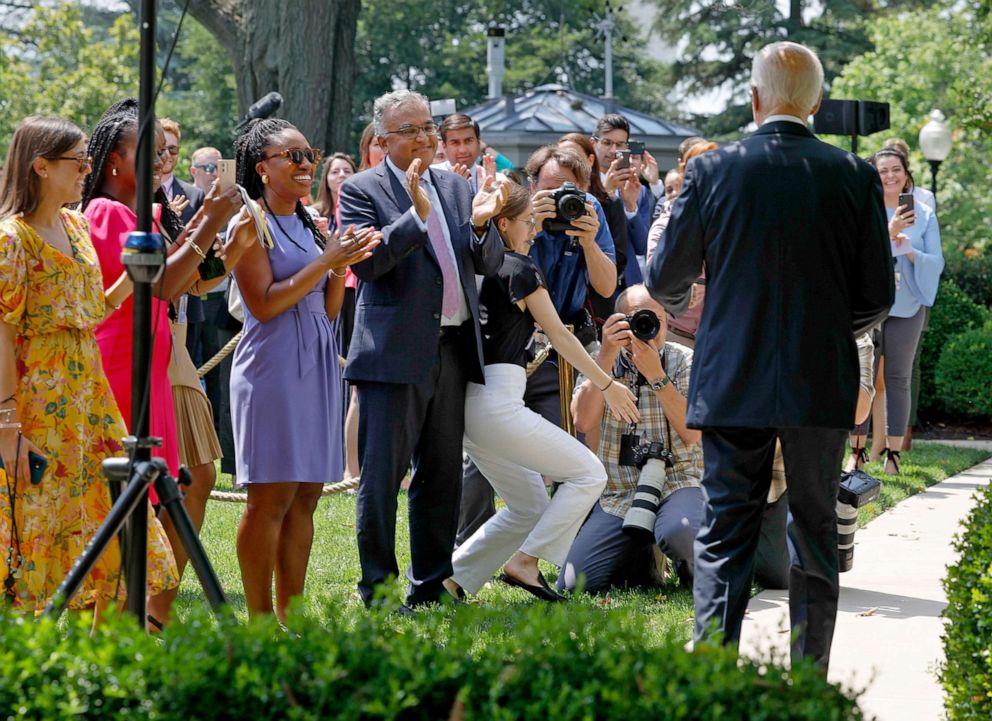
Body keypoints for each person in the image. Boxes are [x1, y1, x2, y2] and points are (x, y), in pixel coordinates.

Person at [647, 41, 894, 669]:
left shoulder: (712, 171)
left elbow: (666, 279)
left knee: (725, 529)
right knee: (815, 529)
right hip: (819, 377)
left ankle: (711, 679)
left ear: (754, 99)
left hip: (733, 372)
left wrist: (700, 300)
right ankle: (810, 681)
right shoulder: (855, 174)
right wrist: (827, 330)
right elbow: (876, 297)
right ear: (815, 102)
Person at [0, 115, 178, 615]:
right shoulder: (13, 238)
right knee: (38, 525)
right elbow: (3, 331)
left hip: (89, 398)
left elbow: (89, 309)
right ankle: (33, 661)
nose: (88, 169)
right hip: (38, 403)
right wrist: (7, 423)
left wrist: (134, 277)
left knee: (117, 518)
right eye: (77, 161)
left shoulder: (76, 225)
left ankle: (108, 664)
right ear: (39, 166)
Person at [338, 89, 507, 610]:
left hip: (453, 348)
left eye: (427, 126)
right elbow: (367, 266)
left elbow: (490, 263)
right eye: (410, 130)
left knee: (440, 477)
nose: (425, 137)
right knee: (382, 478)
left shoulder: (457, 188)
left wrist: (482, 223)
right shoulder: (361, 189)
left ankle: (430, 583)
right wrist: (414, 214)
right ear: (384, 140)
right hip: (392, 353)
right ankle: (381, 590)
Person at [82, 98, 244, 628]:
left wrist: (211, 231)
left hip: (149, 366)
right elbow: (164, 286)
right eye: (145, 152)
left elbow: (179, 281)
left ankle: (143, 619)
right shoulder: (106, 212)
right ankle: (109, 631)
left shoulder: (137, 213)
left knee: (159, 495)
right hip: (121, 369)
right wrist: (212, 220)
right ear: (113, 162)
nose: (159, 161)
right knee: (124, 507)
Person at [443, 184, 638, 602]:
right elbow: (562, 338)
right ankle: (525, 563)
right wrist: (608, 383)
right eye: (528, 222)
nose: (535, 231)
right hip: (498, 404)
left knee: (529, 504)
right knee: (589, 474)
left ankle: (451, 580)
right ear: (503, 223)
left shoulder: (468, 269)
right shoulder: (520, 267)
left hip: (468, 410)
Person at [230, 118, 379, 620]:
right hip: (271, 366)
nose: (305, 165)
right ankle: (259, 620)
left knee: (305, 499)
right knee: (269, 498)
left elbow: (330, 310)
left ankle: (292, 616)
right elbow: (265, 304)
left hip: (315, 363)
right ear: (262, 168)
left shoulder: (311, 223)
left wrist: (340, 262)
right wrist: (326, 262)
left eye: (308, 154)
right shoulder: (250, 222)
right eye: (291, 156)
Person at [454, 145, 617, 547]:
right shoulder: (518, 222)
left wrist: (591, 243)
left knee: (564, 450)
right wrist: (534, 225)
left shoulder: (590, 213)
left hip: (561, 350)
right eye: (550, 190)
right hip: (514, 351)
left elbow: (607, 286)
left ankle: (558, 551)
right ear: (530, 187)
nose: (563, 200)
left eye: (571, 190)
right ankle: (477, 541)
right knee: (490, 460)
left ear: (585, 189)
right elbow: (496, 263)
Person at [562, 285, 703, 595]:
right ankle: (642, 558)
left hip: (679, 482)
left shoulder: (685, 360)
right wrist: (606, 358)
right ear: (617, 322)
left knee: (682, 533)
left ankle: (688, 564)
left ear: (667, 321)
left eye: (654, 319)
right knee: (576, 583)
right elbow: (583, 421)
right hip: (622, 492)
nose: (646, 329)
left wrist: (657, 376)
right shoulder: (600, 362)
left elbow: (692, 432)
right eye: (636, 320)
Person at [863, 148, 943, 474]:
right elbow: (856, 255)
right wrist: (890, 232)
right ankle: (856, 452)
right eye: (883, 171)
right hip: (869, 307)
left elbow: (936, 261)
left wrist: (912, 254)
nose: (890, 176)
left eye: (896, 169)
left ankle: (893, 456)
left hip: (908, 305)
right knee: (863, 377)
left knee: (898, 378)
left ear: (906, 174)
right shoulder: (863, 210)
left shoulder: (924, 213)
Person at [646, 141, 719, 348]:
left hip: (719, 336)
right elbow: (655, 281)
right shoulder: (665, 224)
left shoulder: (729, 220)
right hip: (677, 334)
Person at [557, 132, 629, 325]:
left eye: (573, 158)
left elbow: (620, 256)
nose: (567, 164)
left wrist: (590, 244)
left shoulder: (602, 203)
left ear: (589, 160)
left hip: (594, 303)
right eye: (560, 157)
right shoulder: (544, 204)